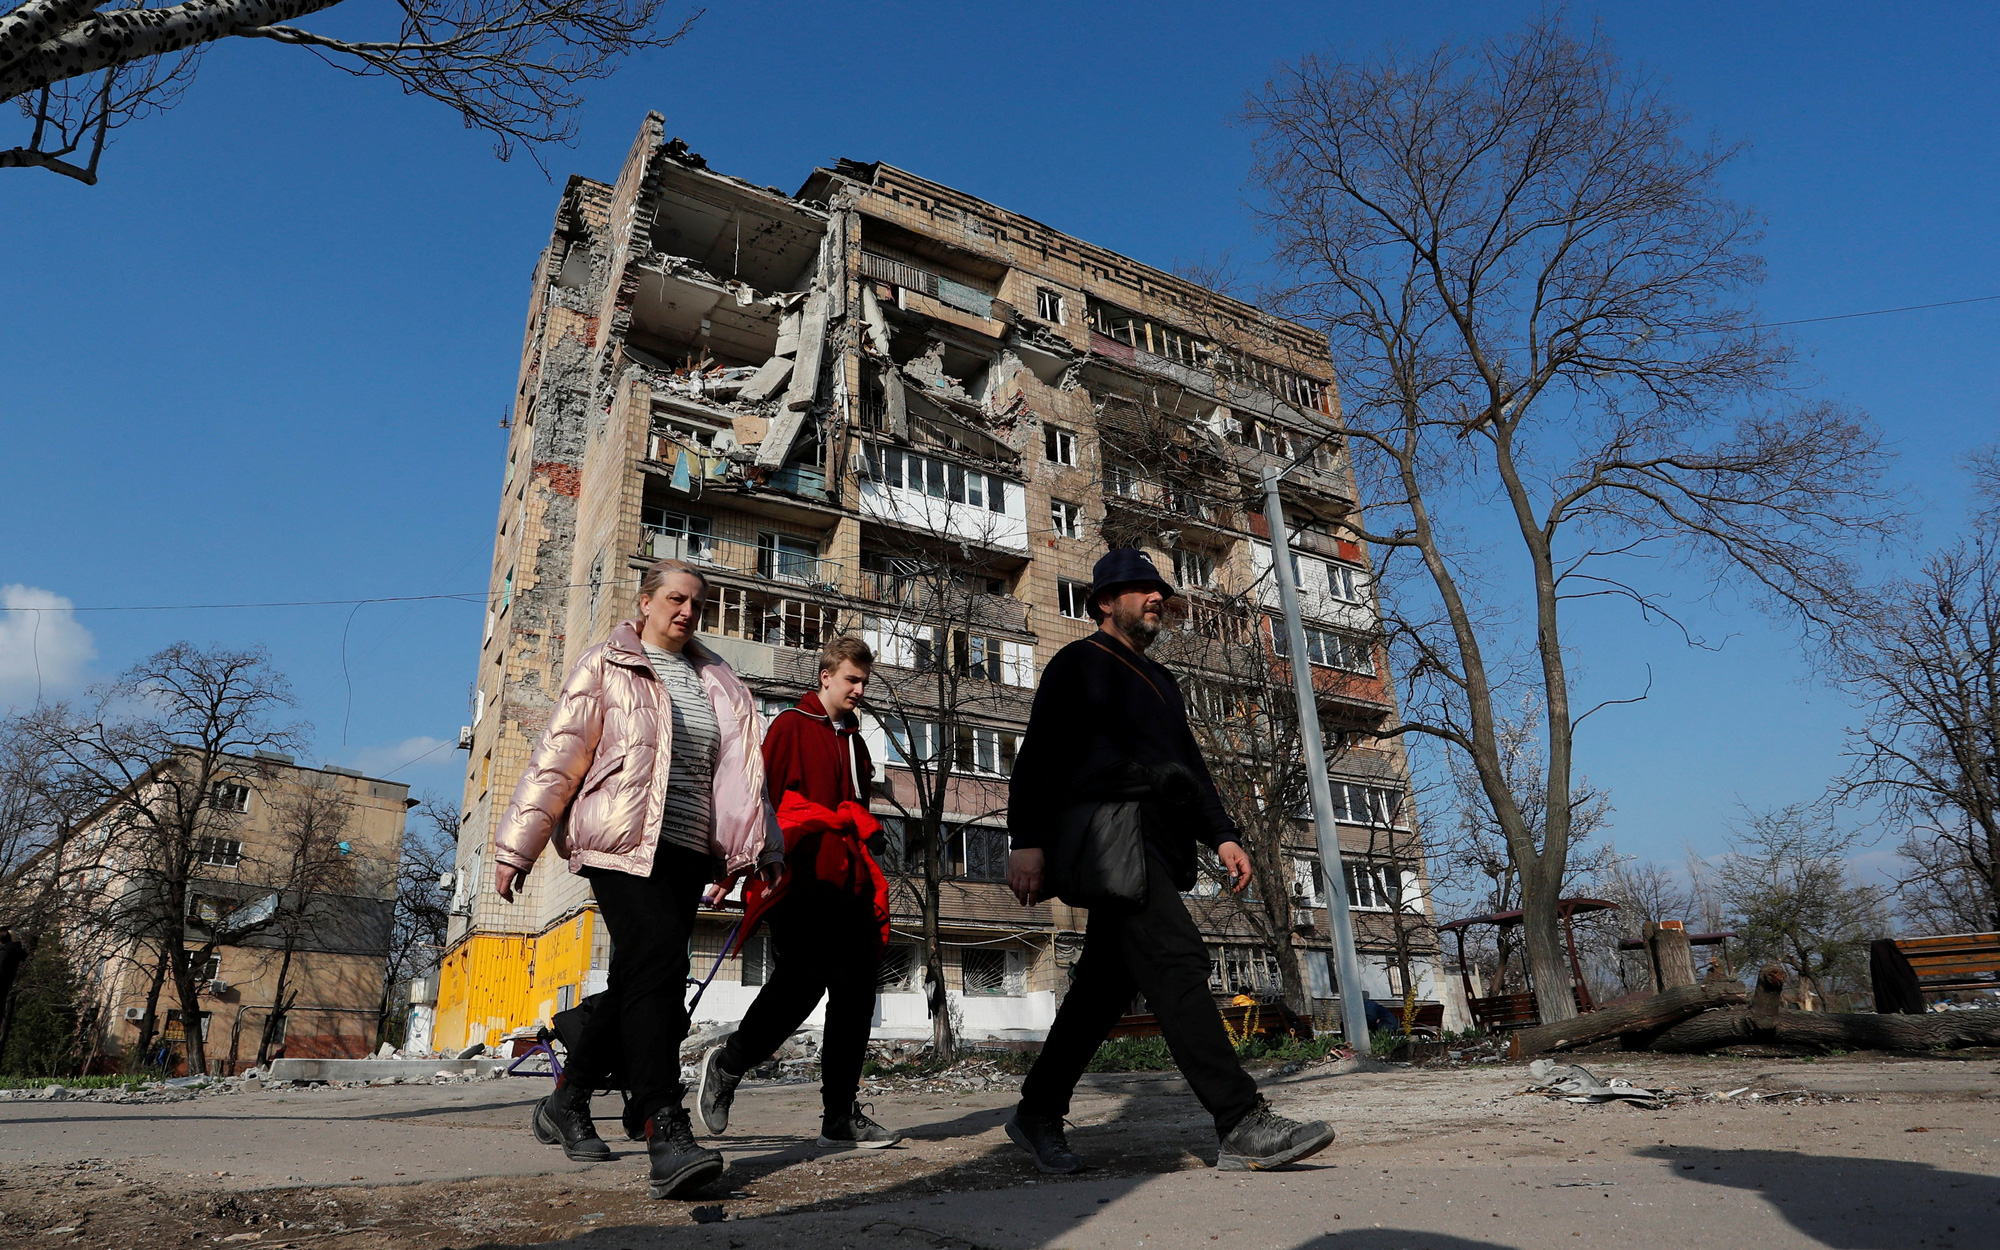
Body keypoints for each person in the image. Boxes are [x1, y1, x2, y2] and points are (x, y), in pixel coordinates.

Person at [1003, 549, 1337, 1174]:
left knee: (1103, 989)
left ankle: (1036, 1110)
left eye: (1158, 589)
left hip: (1159, 839)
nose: (1155, 597)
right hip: (1108, 839)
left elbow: (1192, 767)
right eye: (1139, 589)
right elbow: (1039, 756)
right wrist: (1026, 839)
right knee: (1178, 957)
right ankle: (1240, 1120)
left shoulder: (1165, 681)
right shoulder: (1078, 664)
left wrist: (1224, 835)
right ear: (1106, 601)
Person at [491, 558, 785, 1200]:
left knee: (638, 976)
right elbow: (557, 755)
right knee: (656, 962)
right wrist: (518, 847)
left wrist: (764, 843)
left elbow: (743, 775)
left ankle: (566, 1101)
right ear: (646, 601)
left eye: (697, 604)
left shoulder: (722, 681)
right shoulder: (608, 663)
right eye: (676, 599)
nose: (687, 611)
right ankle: (661, 1121)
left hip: (685, 850)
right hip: (618, 842)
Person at [695, 636, 901, 1149]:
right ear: (826, 676)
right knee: (800, 986)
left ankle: (839, 1115)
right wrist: (732, 869)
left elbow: (852, 808)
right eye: (851, 680)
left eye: (863, 682)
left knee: (855, 992)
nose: (858, 690)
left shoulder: (854, 743)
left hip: (846, 879)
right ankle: (727, 1063)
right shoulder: (789, 726)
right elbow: (757, 799)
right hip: (798, 875)